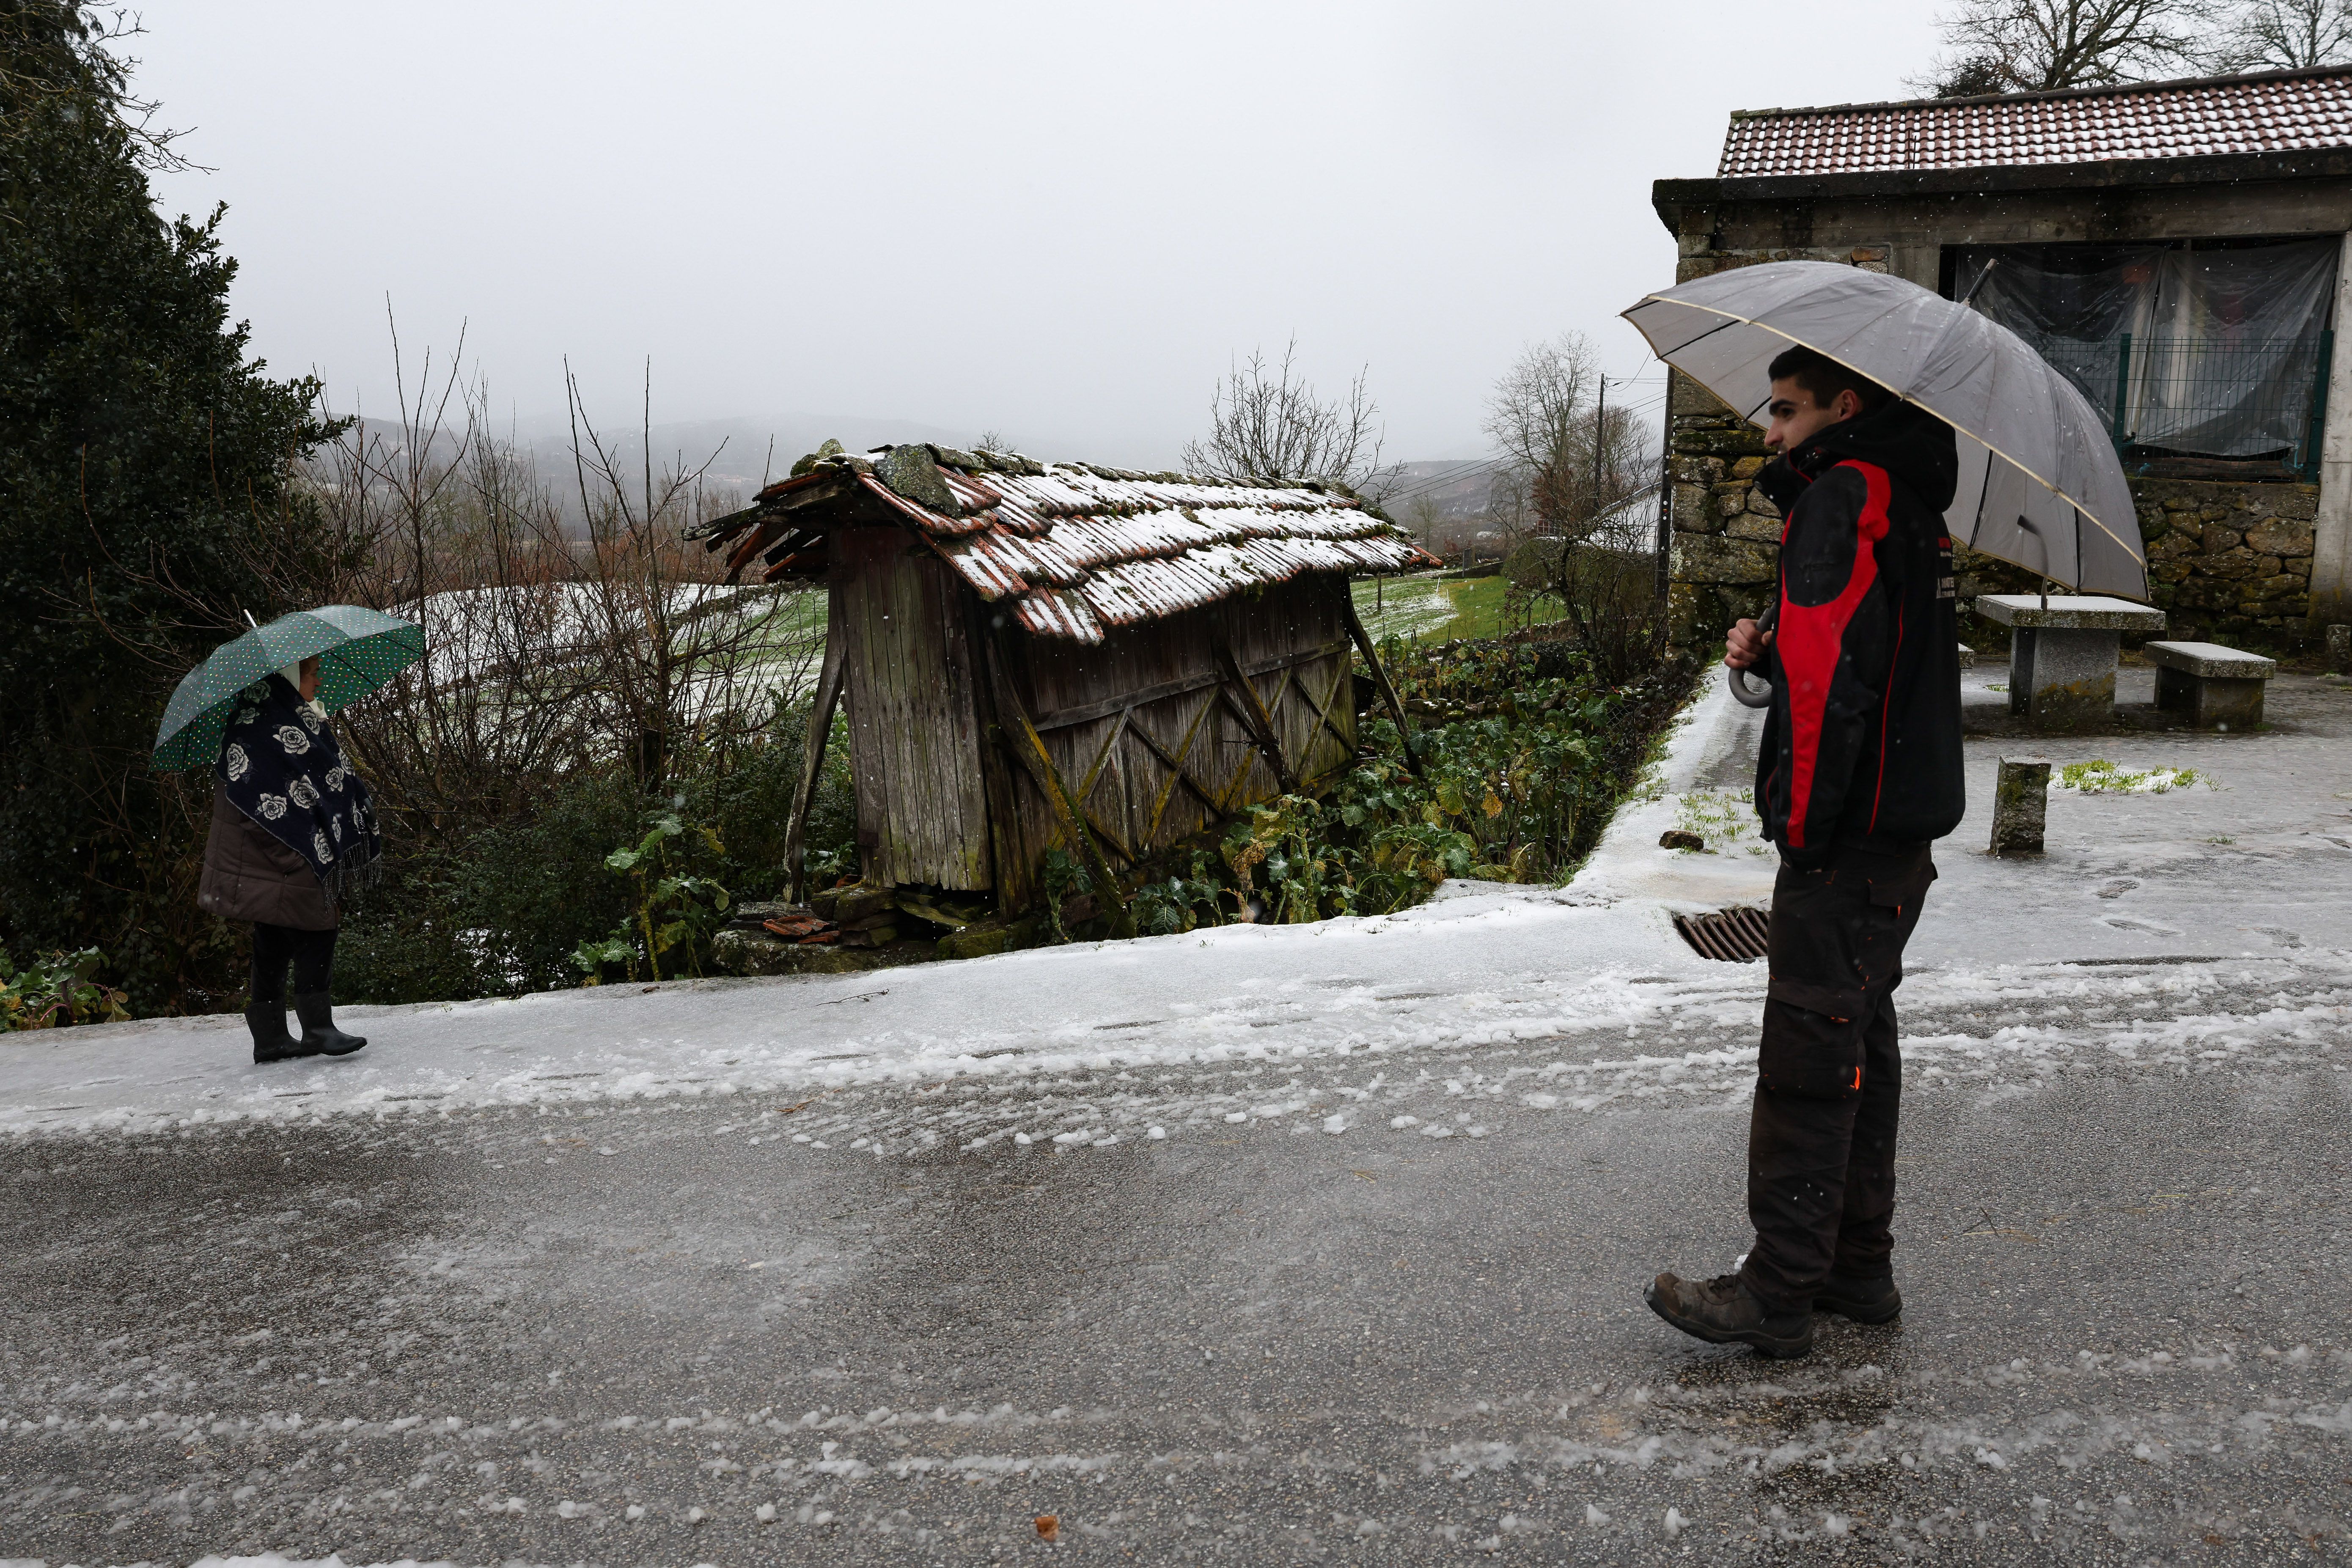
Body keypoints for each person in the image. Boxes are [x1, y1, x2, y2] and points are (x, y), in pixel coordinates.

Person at [1646, 345, 1965, 1359]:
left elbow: (1832, 692)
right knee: (1856, 1041)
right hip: (1900, 827)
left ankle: (1777, 1291)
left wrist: (1804, 832)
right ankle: (1855, 1268)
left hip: (1850, 836)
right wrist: (1770, 653)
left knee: (1804, 1058)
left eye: (1785, 411)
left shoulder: (1842, 498)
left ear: (1844, 404)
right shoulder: (1906, 502)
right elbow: (1850, 659)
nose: (1770, 433)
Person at [198, 654, 382, 1064]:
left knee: (274, 940)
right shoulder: (259, 730)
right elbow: (255, 807)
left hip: (282, 855)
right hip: (282, 856)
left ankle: (271, 1038)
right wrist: (299, 854)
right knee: (319, 929)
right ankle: (317, 1029)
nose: (318, 681)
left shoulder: (287, 721)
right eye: (312, 673)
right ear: (288, 678)